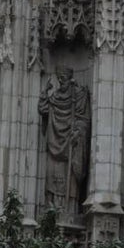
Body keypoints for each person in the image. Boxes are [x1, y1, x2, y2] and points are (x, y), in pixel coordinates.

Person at [38, 64, 91, 215]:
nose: (61, 82)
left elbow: (84, 120)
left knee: (71, 180)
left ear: (70, 78)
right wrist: (44, 92)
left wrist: (78, 132)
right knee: (52, 178)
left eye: (64, 79)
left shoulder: (78, 96)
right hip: (54, 145)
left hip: (70, 147)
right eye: (59, 79)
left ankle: (69, 210)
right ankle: (52, 210)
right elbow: (43, 110)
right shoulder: (54, 97)